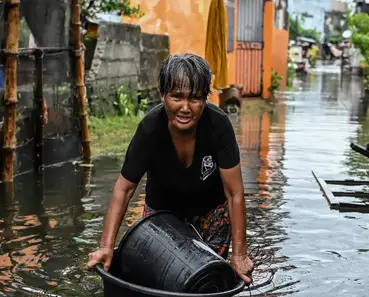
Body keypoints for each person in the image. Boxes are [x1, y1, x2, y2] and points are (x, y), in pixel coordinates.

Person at [85, 53, 254, 284]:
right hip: (162, 218)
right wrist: (106, 246)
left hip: (210, 215)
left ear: (205, 99)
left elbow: (234, 193)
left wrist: (240, 254)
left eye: (195, 98)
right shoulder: (150, 130)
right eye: (177, 97)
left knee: (207, 281)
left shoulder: (219, 126)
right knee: (158, 280)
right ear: (163, 95)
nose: (185, 108)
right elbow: (123, 189)